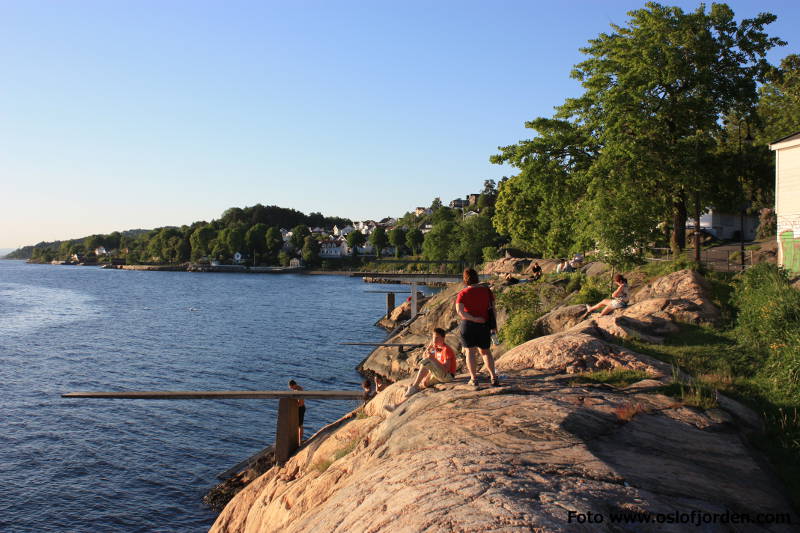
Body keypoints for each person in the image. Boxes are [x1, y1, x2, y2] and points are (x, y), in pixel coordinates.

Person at [455, 268, 500, 387]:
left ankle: (474, 379)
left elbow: (460, 312)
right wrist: (494, 325)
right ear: (477, 277)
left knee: (470, 352)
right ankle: (493, 377)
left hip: (468, 325)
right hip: (484, 324)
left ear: (465, 279)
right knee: (485, 352)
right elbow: (493, 309)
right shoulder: (487, 291)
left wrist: (473, 319)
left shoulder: (462, 294)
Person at [404, 327, 457, 397]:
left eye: (437, 338)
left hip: (448, 376)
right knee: (424, 383)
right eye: (433, 337)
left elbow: (446, 370)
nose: (434, 340)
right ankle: (398, 405)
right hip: (440, 374)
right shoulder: (436, 347)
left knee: (426, 362)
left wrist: (433, 359)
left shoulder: (446, 350)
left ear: (443, 338)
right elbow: (424, 356)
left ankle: (414, 386)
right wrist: (429, 347)